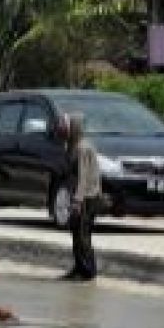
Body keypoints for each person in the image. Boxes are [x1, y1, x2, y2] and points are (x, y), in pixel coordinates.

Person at [63, 114, 101, 282]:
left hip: (87, 198)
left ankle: (88, 271)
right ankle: (78, 267)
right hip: (80, 197)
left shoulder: (82, 148)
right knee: (76, 234)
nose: (63, 129)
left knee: (83, 235)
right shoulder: (73, 146)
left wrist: (77, 201)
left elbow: (83, 177)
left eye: (66, 126)